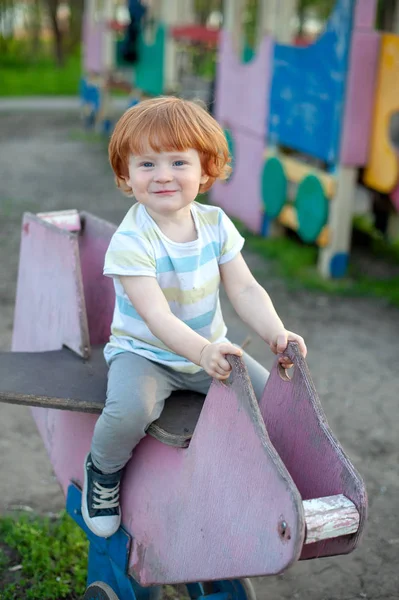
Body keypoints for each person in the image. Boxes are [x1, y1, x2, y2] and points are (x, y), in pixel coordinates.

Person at [82, 96, 307, 538]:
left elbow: (244, 288)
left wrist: (274, 332)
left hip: (211, 353)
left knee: (274, 402)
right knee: (131, 409)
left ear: (205, 171)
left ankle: (264, 482)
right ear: (126, 175)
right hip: (144, 353)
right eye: (146, 164)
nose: (163, 175)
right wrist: (203, 351)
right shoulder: (133, 241)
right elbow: (156, 316)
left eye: (178, 162)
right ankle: (103, 472)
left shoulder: (216, 224)